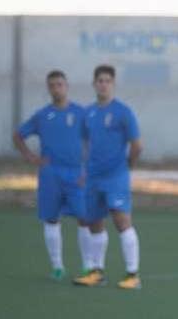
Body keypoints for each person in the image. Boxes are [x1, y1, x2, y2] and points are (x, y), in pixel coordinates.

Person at [13, 70, 93, 281]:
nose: (57, 88)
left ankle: (88, 266)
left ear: (67, 86)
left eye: (60, 84)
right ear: (49, 89)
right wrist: (31, 157)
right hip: (50, 174)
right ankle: (57, 267)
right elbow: (18, 135)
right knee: (51, 219)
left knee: (84, 219)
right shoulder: (42, 115)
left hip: (77, 174)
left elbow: (94, 140)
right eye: (52, 85)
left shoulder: (80, 113)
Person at [72, 65, 143, 290]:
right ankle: (97, 272)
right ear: (94, 84)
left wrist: (127, 167)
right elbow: (84, 144)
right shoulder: (88, 113)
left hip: (116, 177)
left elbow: (137, 145)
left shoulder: (123, 112)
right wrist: (84, 170)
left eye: (107, 81)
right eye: (99, 80)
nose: (103, 84)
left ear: (113, 84)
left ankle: (132, 274)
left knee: (122, 222)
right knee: (94, 223)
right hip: (93, 178)